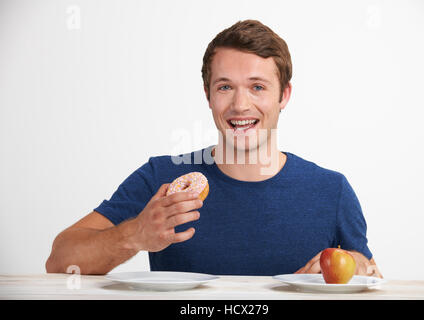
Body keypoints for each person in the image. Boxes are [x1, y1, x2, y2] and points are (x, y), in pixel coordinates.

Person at [46, 20, 382, 277]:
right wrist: (134, 235)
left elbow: (370, 272)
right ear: (208, 95)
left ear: (284, 96)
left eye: (257, 87)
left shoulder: (331, 189)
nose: (240, 104)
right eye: (225, 87)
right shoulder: (162, 178)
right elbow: (60, 260)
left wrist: (357, 263)